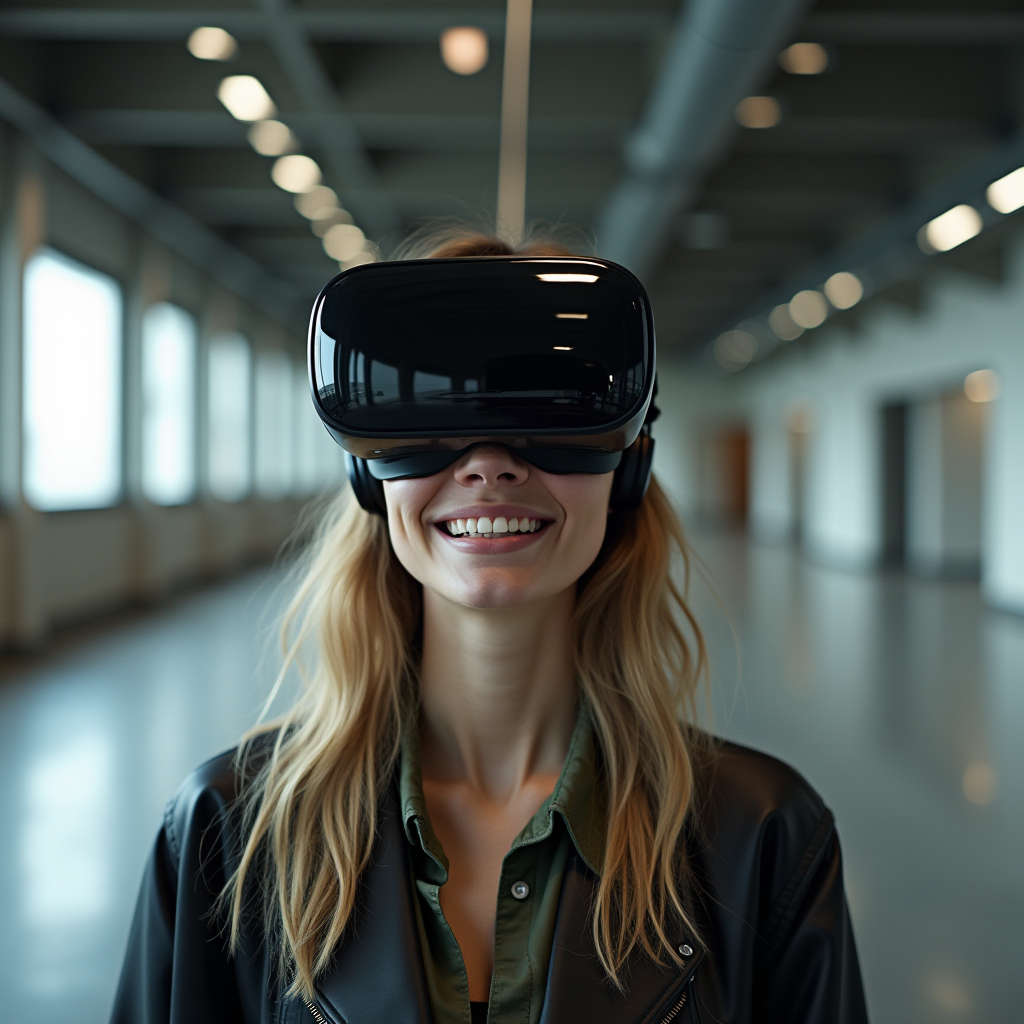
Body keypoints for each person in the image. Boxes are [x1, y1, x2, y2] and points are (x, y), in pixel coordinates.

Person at [111, 231, 869, 1024]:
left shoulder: (763, 837)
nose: (489, 464)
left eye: (545, 412)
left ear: (629, 470)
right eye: (438, 414)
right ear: (369, 480)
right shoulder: (228, 832)